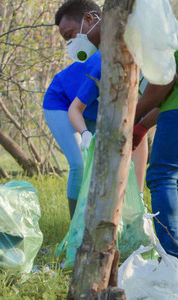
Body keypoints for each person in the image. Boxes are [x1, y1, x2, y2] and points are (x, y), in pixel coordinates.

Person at [54, 0, 178, 283]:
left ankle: (172, 263)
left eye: (70, 35)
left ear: (91, 19)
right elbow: (164, 91)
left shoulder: (132, 27)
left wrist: (126, 118)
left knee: (162, 175)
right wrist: (139, 128)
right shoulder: (118, 41)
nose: (71, 42)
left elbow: (165, 83)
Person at [43, 54, 149, 219]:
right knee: (80, 164)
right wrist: (84, 133)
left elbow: (138, 135)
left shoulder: (149, 79)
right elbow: (75, 109)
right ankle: (76, 227)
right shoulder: (105, 68)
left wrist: (139, 194)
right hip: (63, 101)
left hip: (95, 110)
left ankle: (102, 220)